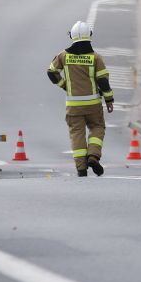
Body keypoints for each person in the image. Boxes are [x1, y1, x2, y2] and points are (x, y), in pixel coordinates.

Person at [46, 20, 114, 177]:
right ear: (89, 36)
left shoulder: (63, 56)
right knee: (97, 128)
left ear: (72, 36)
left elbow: (51, 72)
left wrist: (64, 86)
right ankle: (93, 156)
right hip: (93, 105)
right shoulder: (96, 58)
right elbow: (103, 81)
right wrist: (109, 100)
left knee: (77, 134)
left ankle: (81, 169)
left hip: (73, 105)